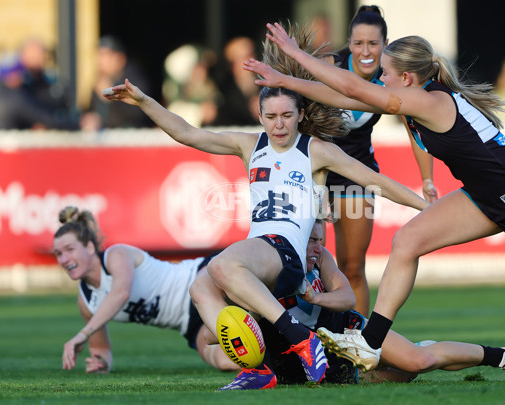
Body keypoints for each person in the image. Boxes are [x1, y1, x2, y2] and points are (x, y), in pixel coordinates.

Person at [254, 22, 505, 372]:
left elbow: (353, 87)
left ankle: (369, 342)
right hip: (485, 196)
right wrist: (285, 81)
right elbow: (345, 97)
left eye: (384, 73)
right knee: (408, 240)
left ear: (407, 78)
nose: (379, 79)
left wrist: (293, 55)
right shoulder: (414, 100)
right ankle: (370, 344)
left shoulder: (428, 100)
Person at [103, 70, 428, 388]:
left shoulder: (315, 151)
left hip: (287, 252)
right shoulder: (250, 146)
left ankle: (300, 338)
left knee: (220, 266)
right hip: (261, 255)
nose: (279, 123)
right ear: (259, 116)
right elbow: (188, 133)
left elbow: (377, 182)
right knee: (200, 292)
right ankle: (259, 368)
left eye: (287, 114)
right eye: (271, 116)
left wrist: (426, 207)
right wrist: (144, 101)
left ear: (300, 115)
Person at [260, 219, 505, 386]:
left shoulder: (321, 258)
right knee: (405, 374)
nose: (318, 248)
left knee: (417, 362)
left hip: (347, 332)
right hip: (301, 363)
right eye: (310, 241)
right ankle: (416, 350)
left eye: (320, 240)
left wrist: (315, 297)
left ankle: (504, 357)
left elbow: (347, 298)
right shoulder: (269, 267)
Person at [323, 5, 439, 315]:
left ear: (385, 44)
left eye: (373, 44)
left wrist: (427, 180)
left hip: (357, 177)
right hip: (316, 174)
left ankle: (360, 349)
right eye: (358, 43)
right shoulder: (328, 66)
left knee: (353, 266)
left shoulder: (392, 77)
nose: (365, 51)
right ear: (348, 42)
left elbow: (416, 131)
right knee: (313, 265)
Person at [54, 206, 237, 374]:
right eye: (59, 254)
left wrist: (82, 334)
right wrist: (101, 363)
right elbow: (100, 350)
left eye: (70, 249)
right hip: (190, 323)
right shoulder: (86, 302)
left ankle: (260, 313)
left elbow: (120, 293)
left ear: (90, 247)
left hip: (197, 279)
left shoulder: (116, 255)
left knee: (222, 293)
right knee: (227, 361)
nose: (64, 259)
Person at [80, 36, 153, 131]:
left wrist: (112, 96)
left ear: (120, 59)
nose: (100, 61)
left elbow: (139, 115)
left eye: (105, 56)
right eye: (98, 56)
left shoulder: (134, 80)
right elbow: (90, 112)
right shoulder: (99, 81)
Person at [0, 52, 74, 130]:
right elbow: (45, 118)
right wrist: (75, 123)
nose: (23, 78)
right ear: (15, 75)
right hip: (8, 143)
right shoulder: (16, 96)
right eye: (21, 73)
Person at [211, 37, 261, 126]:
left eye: (252, 54)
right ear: (232, 64)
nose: (252, 60)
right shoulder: (223, 90)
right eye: (245, 57)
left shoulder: (269, 83)